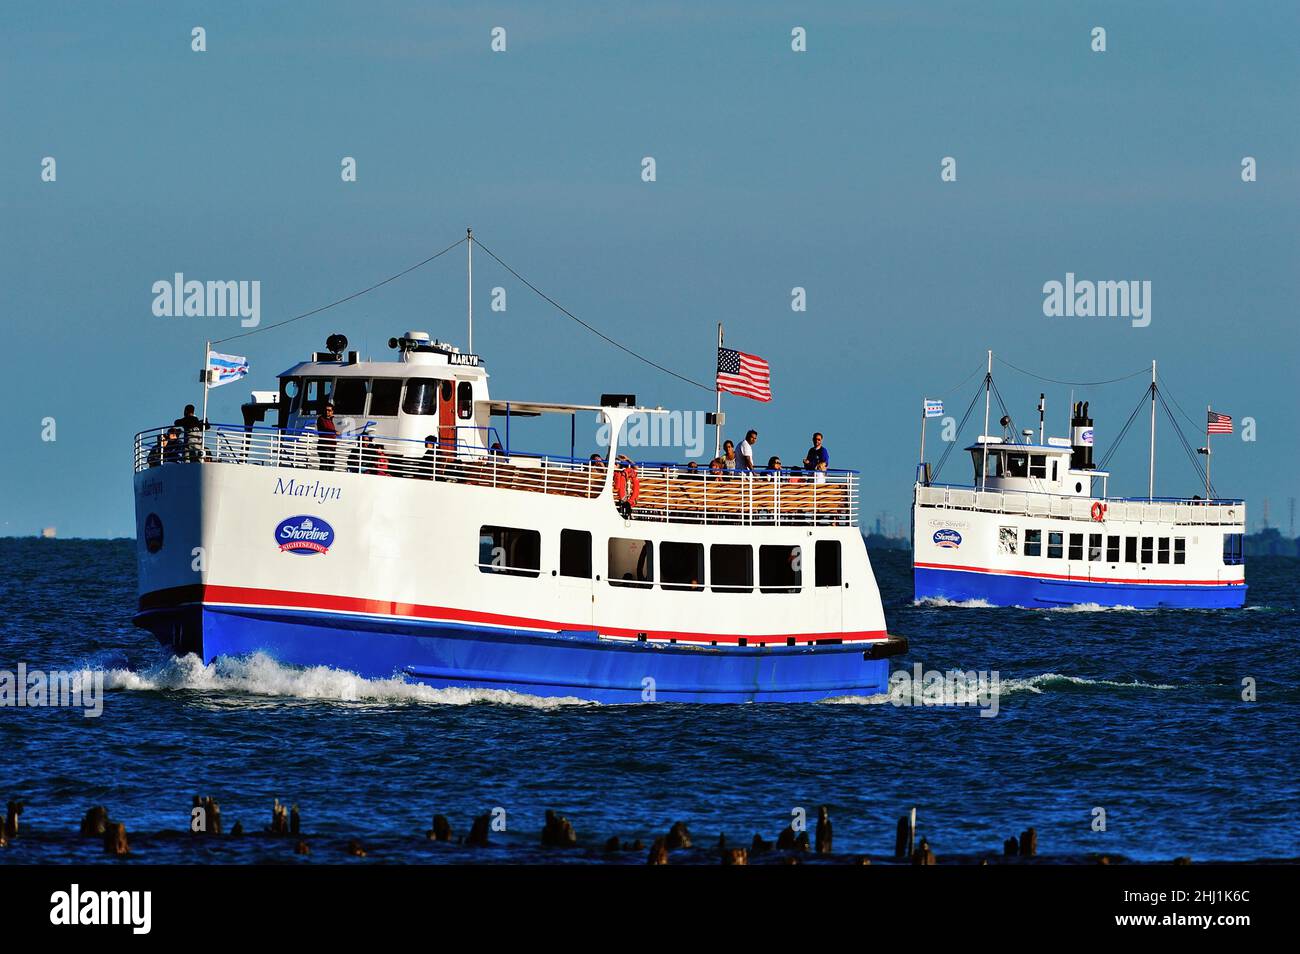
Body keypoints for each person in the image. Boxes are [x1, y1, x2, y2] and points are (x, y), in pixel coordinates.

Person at [316, 402, 339, 471]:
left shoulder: (330, 420)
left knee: (330, 467)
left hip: (331, 447)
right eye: (326, 410)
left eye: (329, 410)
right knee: (325, 466)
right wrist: (334, 432)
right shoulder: (321, 419)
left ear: (332, 412)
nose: (327, 412)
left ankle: (328, 481)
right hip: (325, 446)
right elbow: (323, 429)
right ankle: (322, 480)